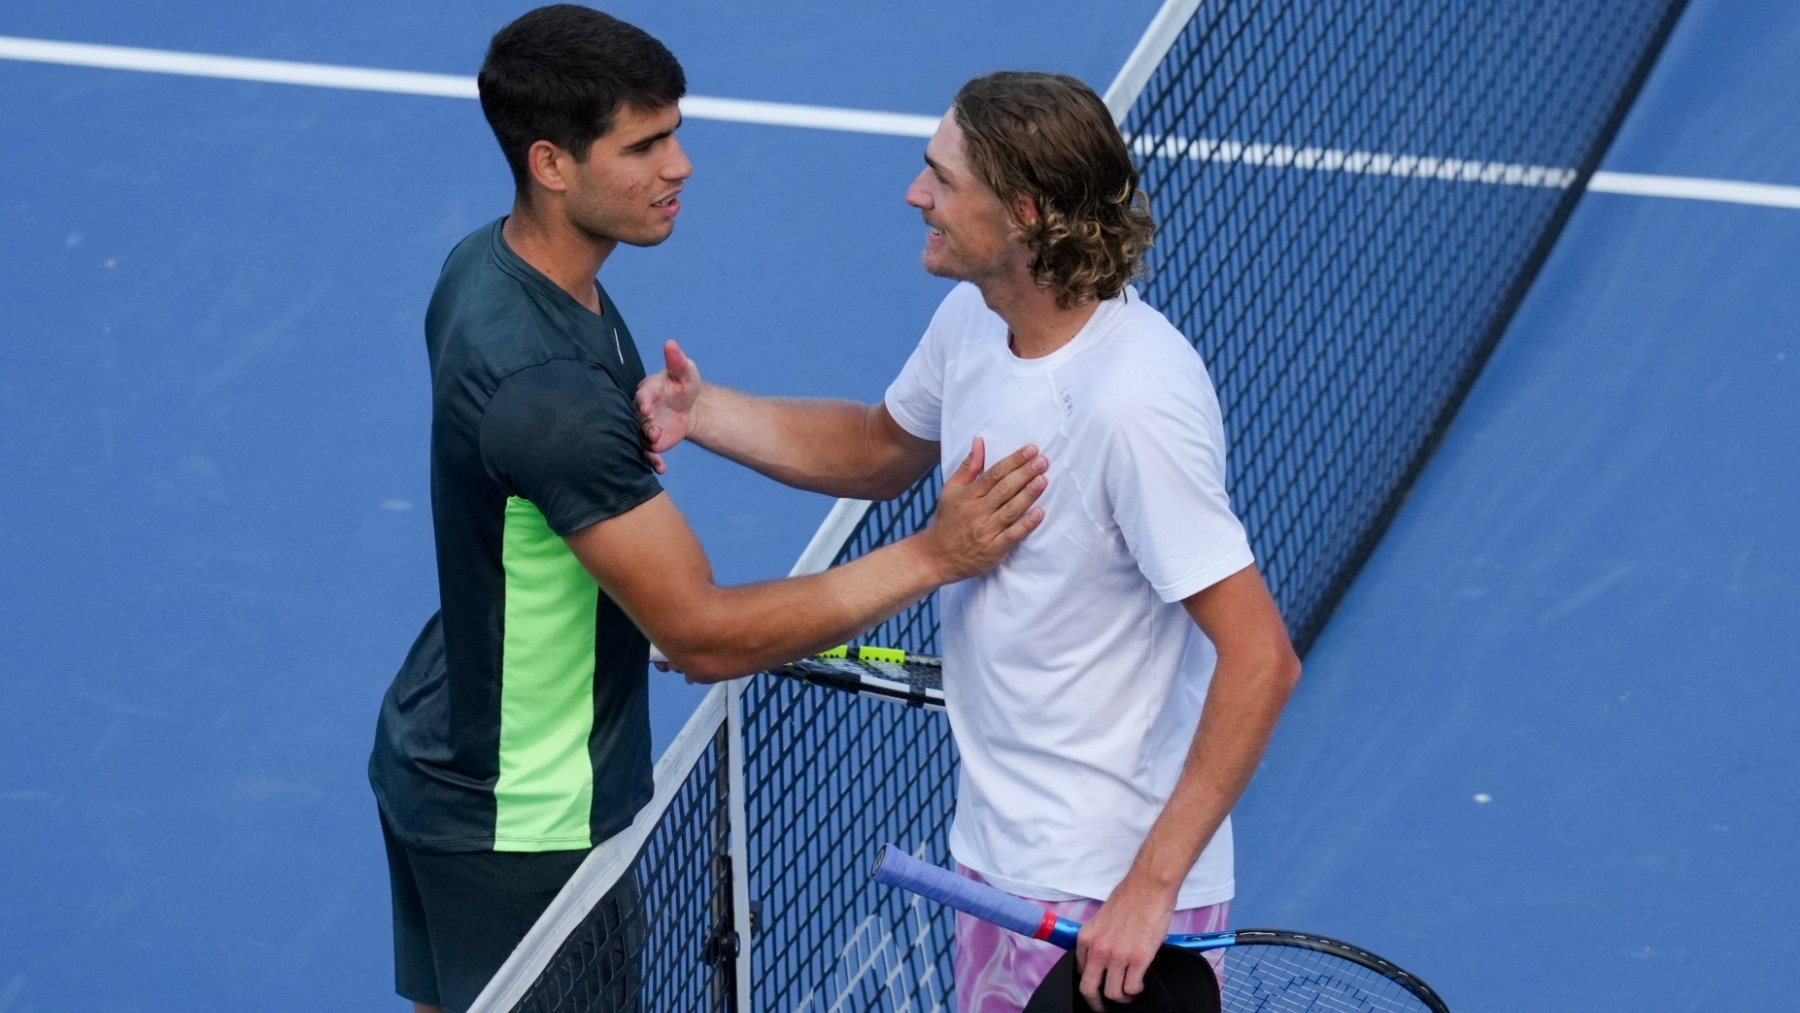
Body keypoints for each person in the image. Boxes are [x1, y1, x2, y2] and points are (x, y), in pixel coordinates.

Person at [366, 10, 1049, 1012]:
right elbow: (702, 635)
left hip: (442, 748)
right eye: (644, 145)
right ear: (552, 163)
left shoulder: (491, 268)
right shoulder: (548, 390)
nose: (680, 165)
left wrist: (706, 413)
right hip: (527, 815)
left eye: (674, 133)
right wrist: (934, 554)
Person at [636, 71, 1302, 1011]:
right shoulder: (977, 321)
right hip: (997, 863)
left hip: (1102, 899)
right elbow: (877, 449)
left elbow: (1261, 658)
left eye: (942, 181)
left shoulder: (1132, 404)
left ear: (1023, 213)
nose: (917, 197)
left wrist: (1148, 888)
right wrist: (703, 411)